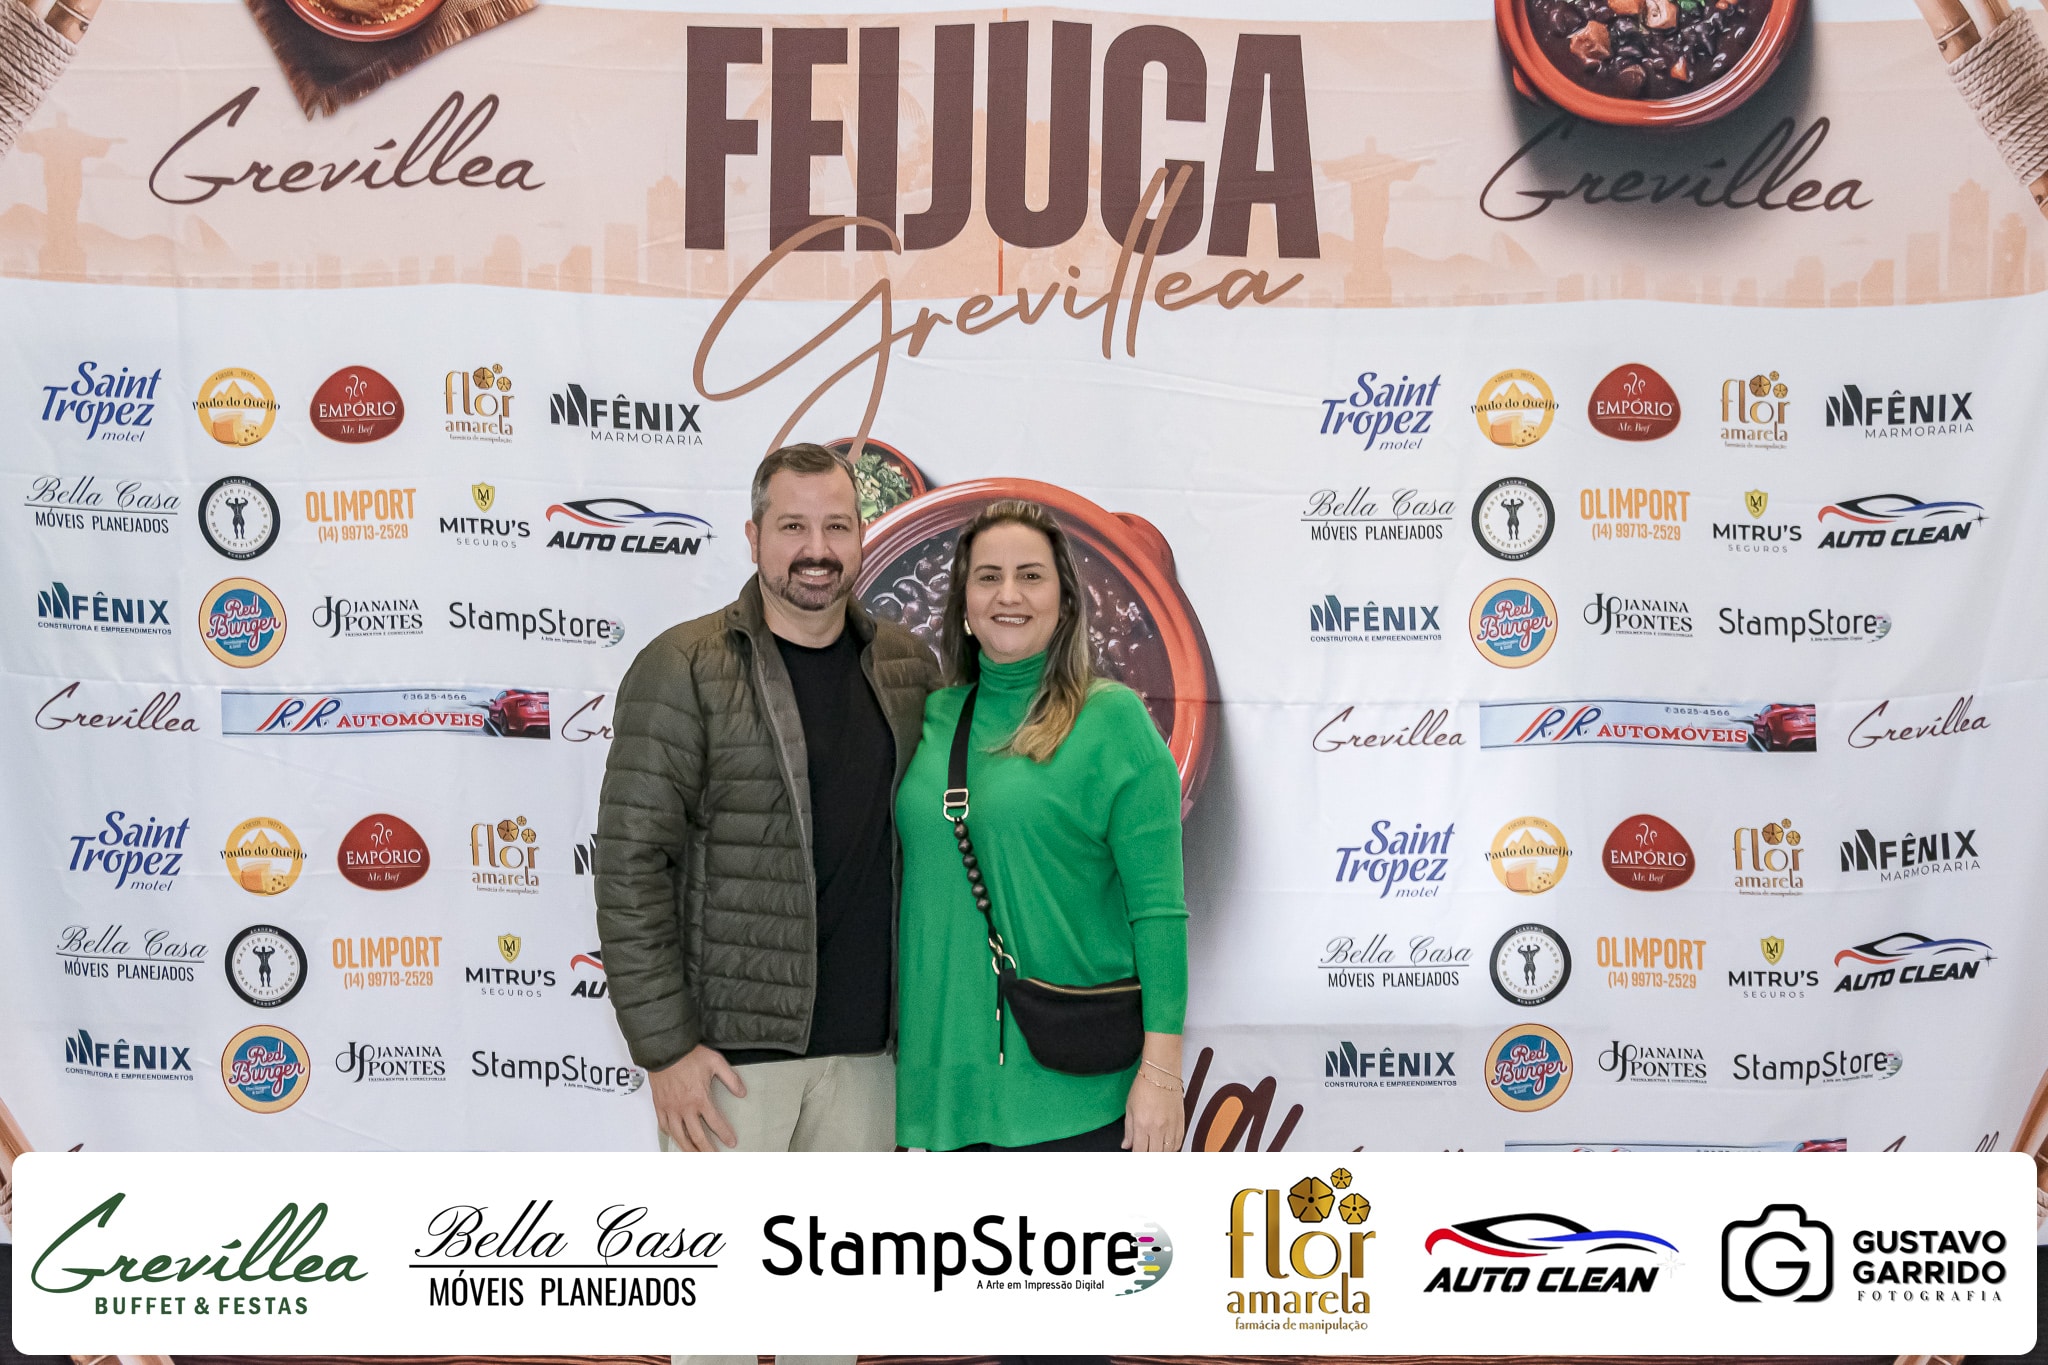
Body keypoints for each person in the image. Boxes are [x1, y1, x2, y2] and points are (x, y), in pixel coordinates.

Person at [595, 444, 937, 1365]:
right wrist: (665, 1049)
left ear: (862, 537)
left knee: (830, 1336)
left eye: (836, 526)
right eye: (793, 526)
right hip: (729, 1068)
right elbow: (630, 863)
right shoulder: (684, 665)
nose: (815, 549)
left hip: (866, 1064)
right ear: (753, 537)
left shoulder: (908, 666)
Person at [895, 499, 1190, 1156]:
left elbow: (1159, 913)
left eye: (1030, 576)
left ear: (1065, 602)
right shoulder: (932, 716)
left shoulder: (1113, 720)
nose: (1009, 594)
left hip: (1072, 1096)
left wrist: (1162, 1073)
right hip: (938, 1089)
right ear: (963, 605)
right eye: (988, 577)